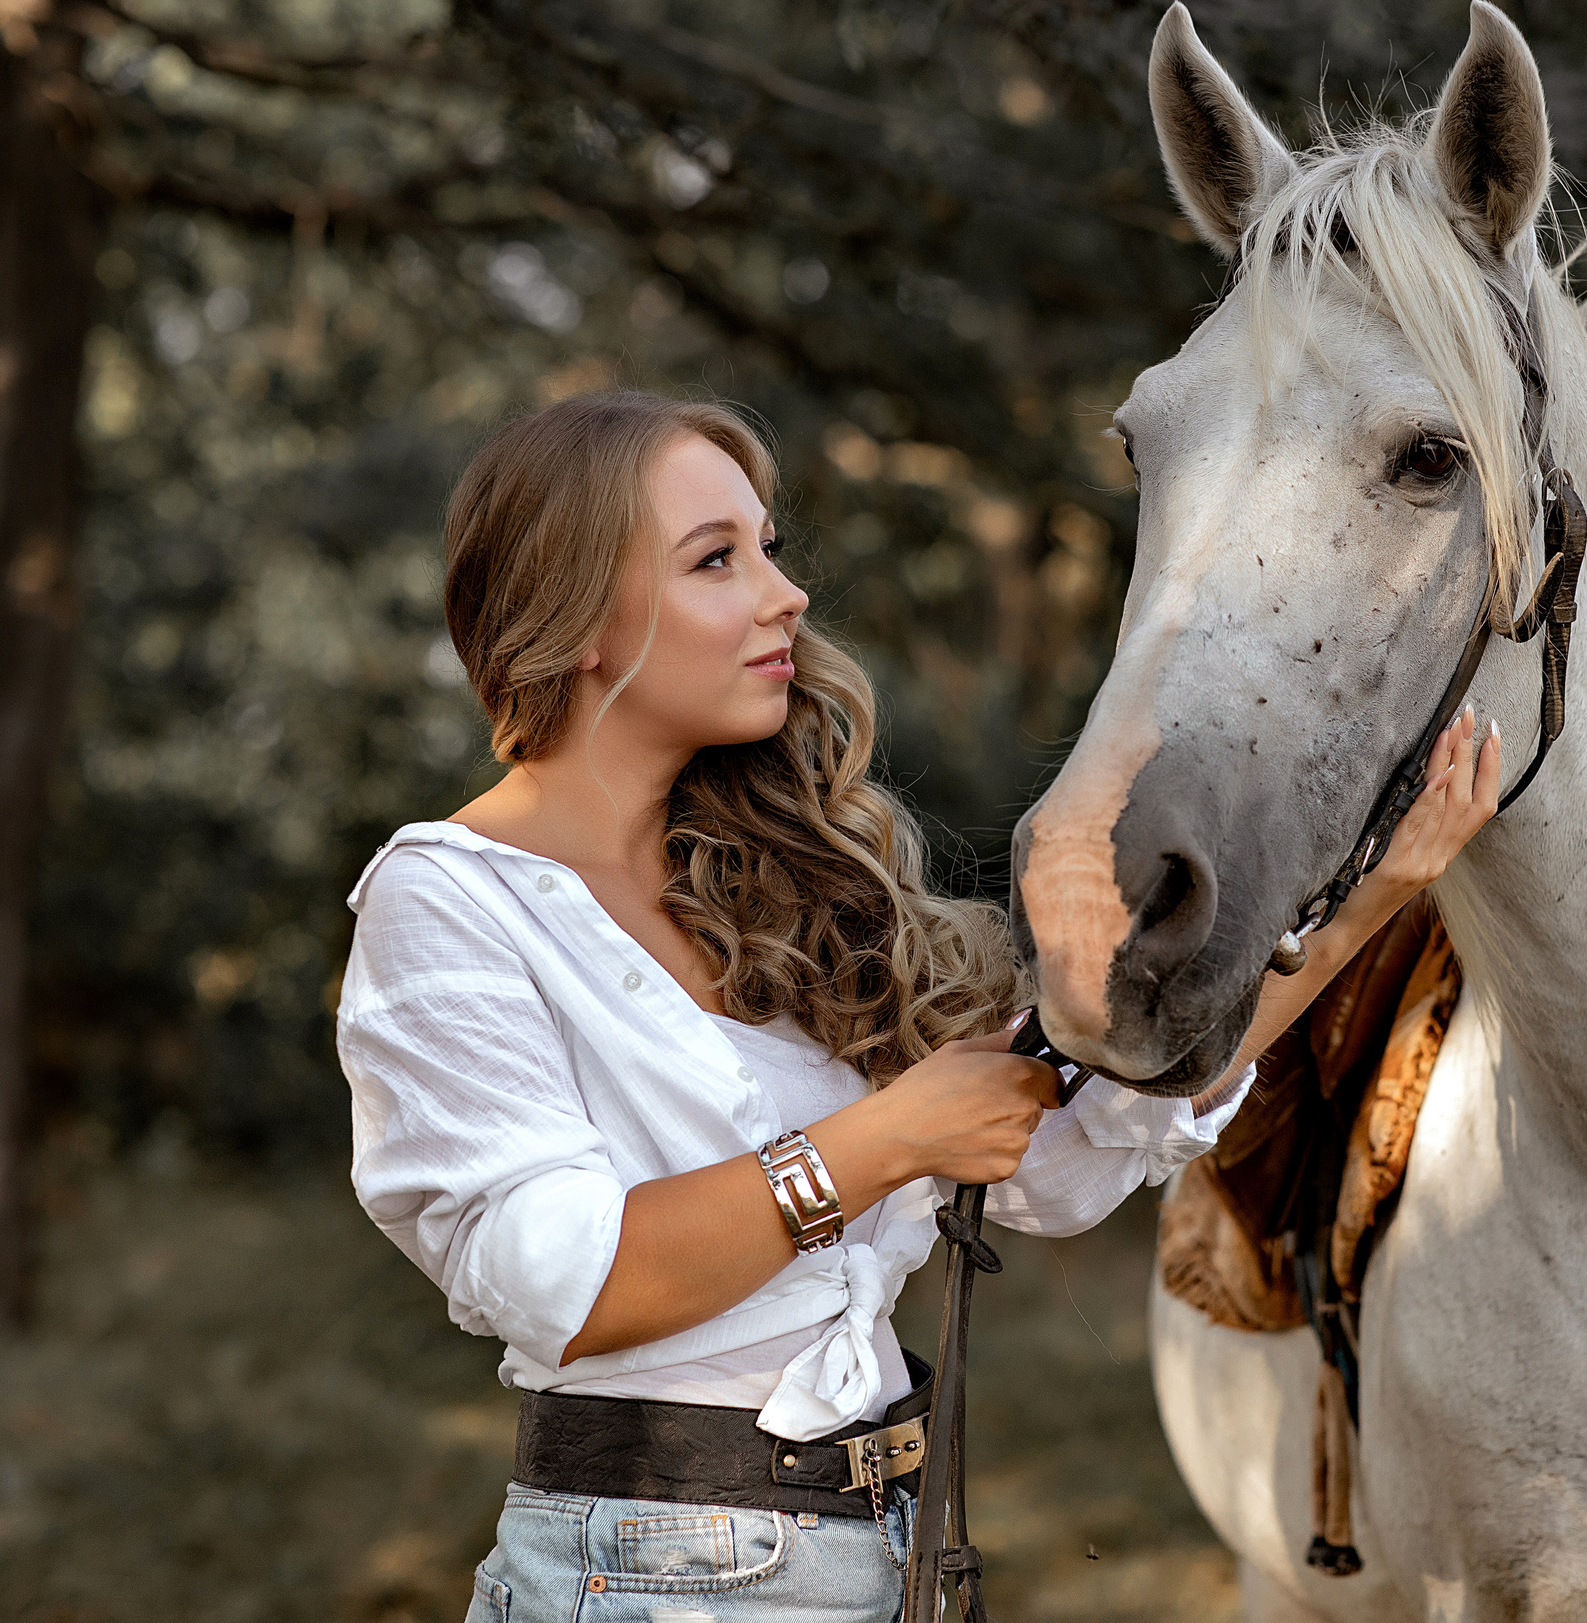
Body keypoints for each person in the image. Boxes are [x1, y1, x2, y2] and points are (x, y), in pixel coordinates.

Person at [334, 390, 1503, 1623]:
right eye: (715, 560)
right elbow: (562, 1282)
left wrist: (1370, 904)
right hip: (645, 1573)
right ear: (573, 617)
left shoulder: (774, 887)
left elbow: (1052, 1162)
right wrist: (889, 1138)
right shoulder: (452, 901)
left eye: (768, 548)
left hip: (891, 1554)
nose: (785, 596)